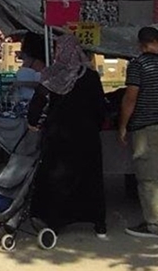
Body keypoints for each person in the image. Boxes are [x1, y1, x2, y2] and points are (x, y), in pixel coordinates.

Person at [27, 34, 107, 237]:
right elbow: (100, 107)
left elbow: (37, 103)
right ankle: (98, 222)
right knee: (89, 179)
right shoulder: (90, 76)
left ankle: (55, 221)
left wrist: (33, 123)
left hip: (58, 137)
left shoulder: (52, 75)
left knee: (58, 179)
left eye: (56, 50)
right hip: (86, 136)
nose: (55, 53)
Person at [119, 26, 158, 238]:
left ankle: (153, 224)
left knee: (149, 177)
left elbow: (130, 99)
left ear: (140, 44)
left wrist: (123, 125)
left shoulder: (138, 65)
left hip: (146, 127)